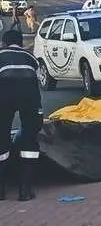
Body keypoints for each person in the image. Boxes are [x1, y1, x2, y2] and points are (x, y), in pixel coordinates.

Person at [0, 30, 43, 201]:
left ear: (4, 43)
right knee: (29, 139)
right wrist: (38, 115)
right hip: (30, 95)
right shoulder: (30, 57)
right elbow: (38, 80)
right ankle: (25, 191)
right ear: (21, 43)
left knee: (1, 138)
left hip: (4, 94)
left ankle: (1, 191)